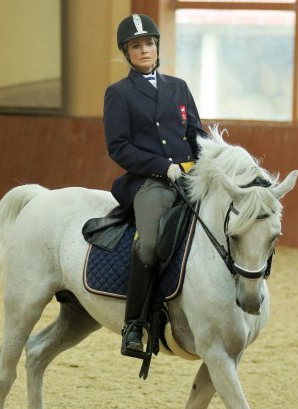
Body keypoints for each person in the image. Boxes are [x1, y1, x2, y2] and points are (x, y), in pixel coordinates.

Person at [103, 13, 204, 356]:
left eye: (148, 43)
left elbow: (196, 134)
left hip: (190, 178)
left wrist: (209, 162)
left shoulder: (179, 87)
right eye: (136, 45)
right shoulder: (119, 94)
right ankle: (134, 324)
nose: (144, 50)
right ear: (126, 52)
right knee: (148, 244)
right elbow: (119, 147)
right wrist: (165, 168)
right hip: (152, 182)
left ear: (157, 46)